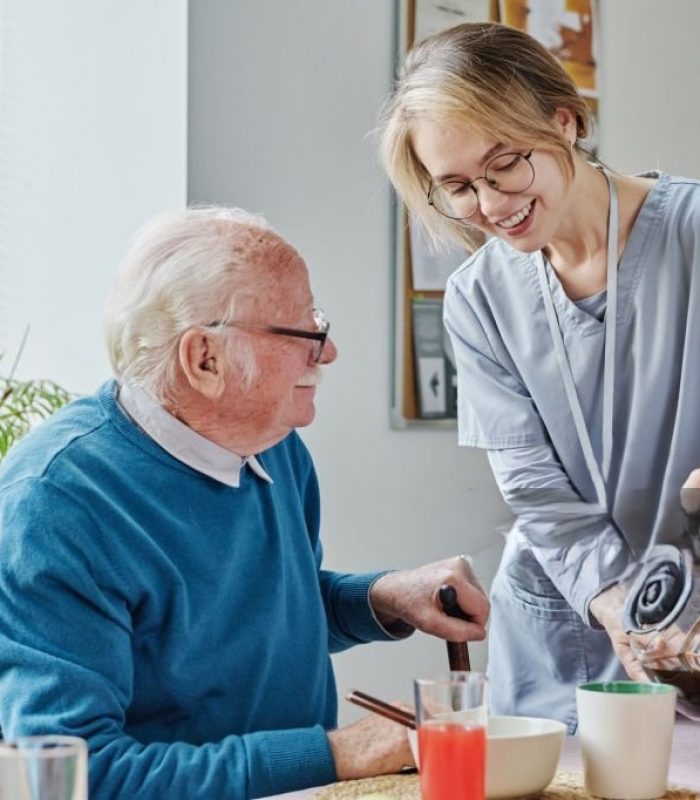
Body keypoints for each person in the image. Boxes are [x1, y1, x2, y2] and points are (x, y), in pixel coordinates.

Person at [0, 207, 490, 798]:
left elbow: (256, 618)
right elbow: (81, 775)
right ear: (204, 359)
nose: (328, 352)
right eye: (305, 332)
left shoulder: (275, 446)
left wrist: (381, 598)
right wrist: (338, 753)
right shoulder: (54, 507)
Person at [378, 21, 700, 731]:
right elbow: (533, 486)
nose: (491, 205)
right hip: (565, 631)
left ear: (565, 120)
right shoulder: (478, 298)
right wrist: (614, 600)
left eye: (505, 165)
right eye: (457, 187)